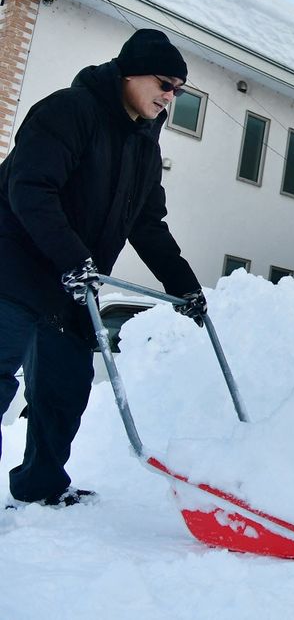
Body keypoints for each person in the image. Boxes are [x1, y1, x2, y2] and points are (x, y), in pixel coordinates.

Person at [0, 28, 207, 507]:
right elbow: (30, 190)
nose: (170, 97)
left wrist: (185, 288)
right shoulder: (69, 111)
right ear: (130, 73)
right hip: (14, 266)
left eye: (178, 90)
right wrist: (74, 259)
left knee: (65, 389)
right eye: (164, 83)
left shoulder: (144, 149)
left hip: (71, 283)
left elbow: (149, 226)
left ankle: (41, 488)